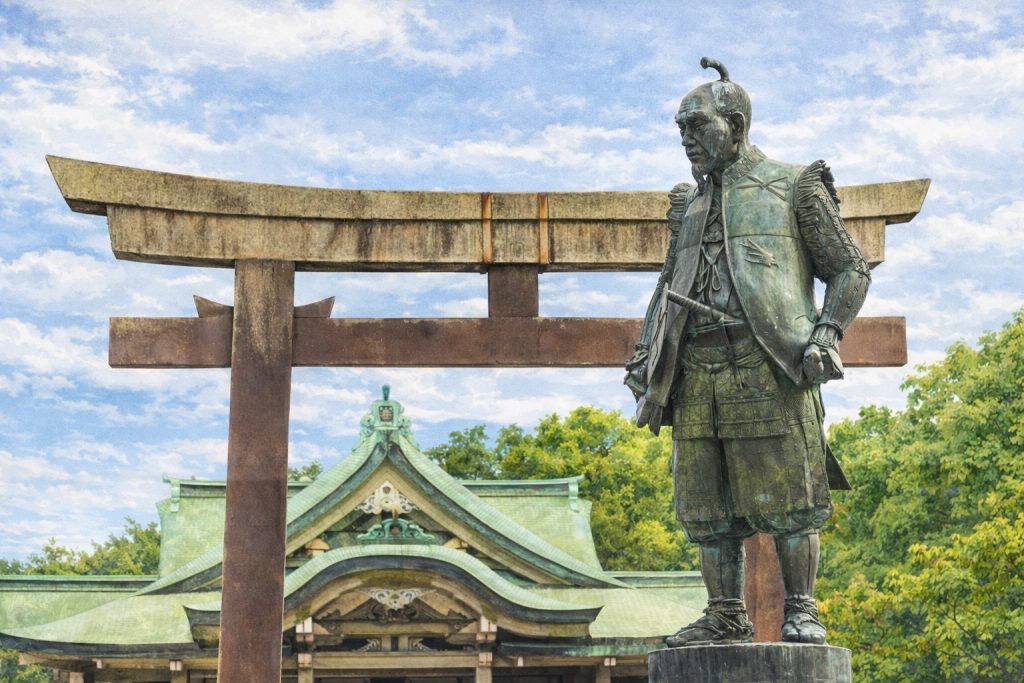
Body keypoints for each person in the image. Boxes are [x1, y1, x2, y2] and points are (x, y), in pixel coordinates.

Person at [625, 58, 869, 646]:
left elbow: (849, 270)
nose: (686, 141)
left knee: (791, 501)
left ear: (735, 124)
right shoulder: (689, 204)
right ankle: (724, 613)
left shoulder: (794, 185)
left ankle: (802, 609)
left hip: (768, 363)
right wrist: (646, 357)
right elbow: (668, 287)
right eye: (679, 130)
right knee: (707, 511)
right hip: (694, 372)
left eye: (696, 126)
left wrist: (826, 333)